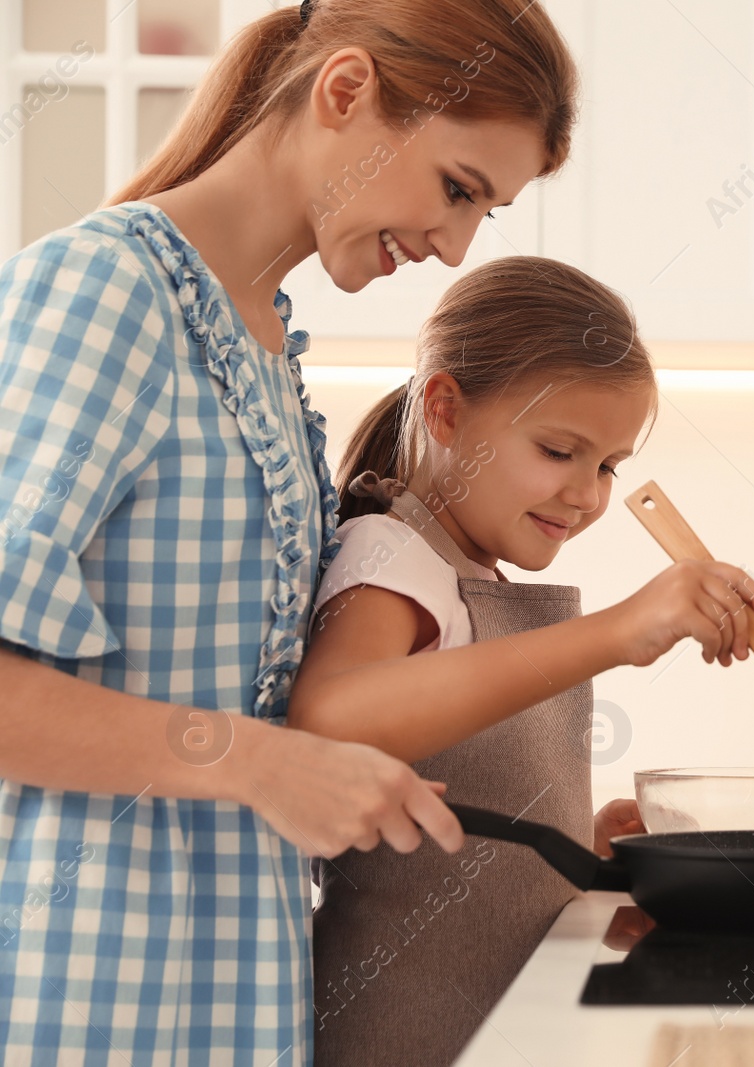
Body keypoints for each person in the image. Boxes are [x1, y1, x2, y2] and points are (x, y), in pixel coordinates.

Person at [0, 1, 583, 1061]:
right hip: (84, 986)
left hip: (232, 988)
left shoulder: (262, 349)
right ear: (345, 91)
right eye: (457, 187)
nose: (453, 247)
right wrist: (254, 761)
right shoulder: (104, 292)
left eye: (482, 214)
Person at [289, 255, 754, 1064]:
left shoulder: (472, 577)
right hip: (401, 1034)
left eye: (609, 465)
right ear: (444, 410)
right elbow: (330, 720)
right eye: (558, 450)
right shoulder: (390, 551)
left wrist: (573, 839)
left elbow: (456, 800)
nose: (587, 493)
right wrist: (620, 629)